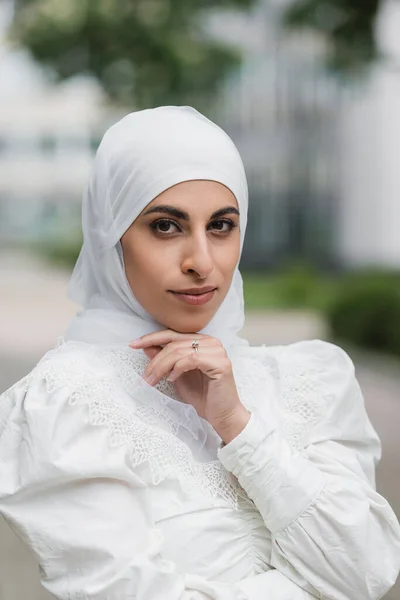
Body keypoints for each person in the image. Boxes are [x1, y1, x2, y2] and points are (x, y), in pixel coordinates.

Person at [0, 106, 399, 600]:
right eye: (166, 226)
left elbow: (366, 571)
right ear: (111, 236)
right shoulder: (65, 402)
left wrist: (237, 422)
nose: (201, 262)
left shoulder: (310, 379)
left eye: (222, 225)